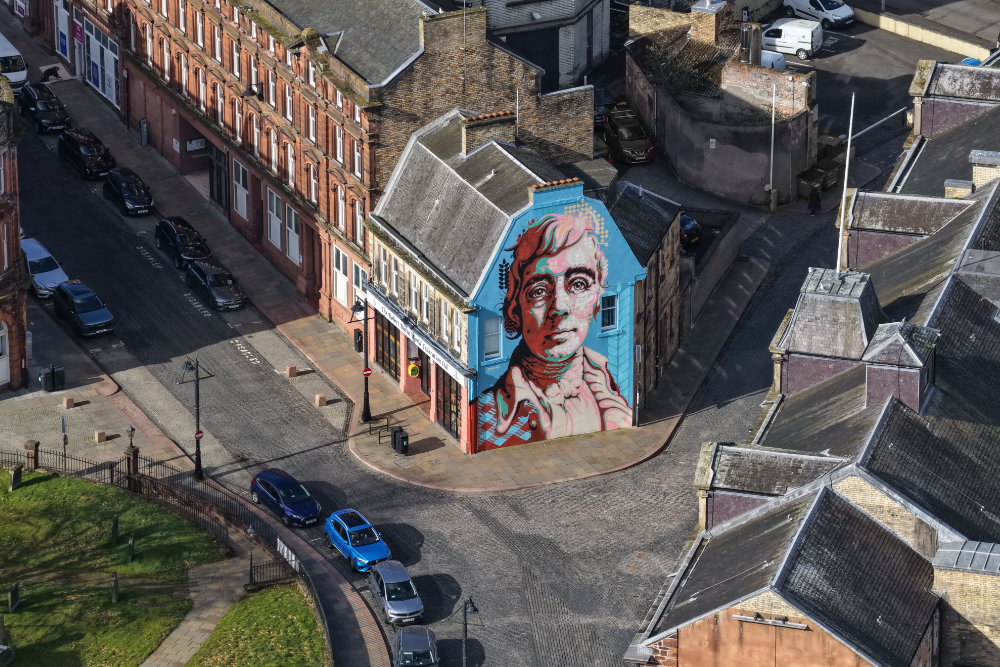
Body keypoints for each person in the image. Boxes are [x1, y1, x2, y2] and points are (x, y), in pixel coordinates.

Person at [477, 212, 633, 449]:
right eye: (539, 290)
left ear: (597, 301)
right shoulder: (487, 410)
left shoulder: (607, 382)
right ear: (515, 311)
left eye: (579, 284)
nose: (559, 306)